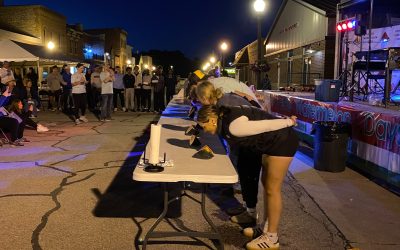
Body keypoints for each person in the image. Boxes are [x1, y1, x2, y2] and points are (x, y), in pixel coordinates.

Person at [197, 105, 298, 250]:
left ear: (212, 120)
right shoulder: (225, 122)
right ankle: (265, 227)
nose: (204, 130)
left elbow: (267, 124)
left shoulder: (233, 127)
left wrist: (288, 122)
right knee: (266, 185)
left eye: (203, 126)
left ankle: (272, 238)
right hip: (272, 143)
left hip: (282, 141)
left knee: (272, 189)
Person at [195, 81, 263, 225]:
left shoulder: (225, 104)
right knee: (244, 172)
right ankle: (248, 210)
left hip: (256, 139)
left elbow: (234, 131)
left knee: (248, 174)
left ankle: (251, 215)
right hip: (251, 137)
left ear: (204, 97)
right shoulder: (221, 101)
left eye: (199, 99)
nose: (198, 102)